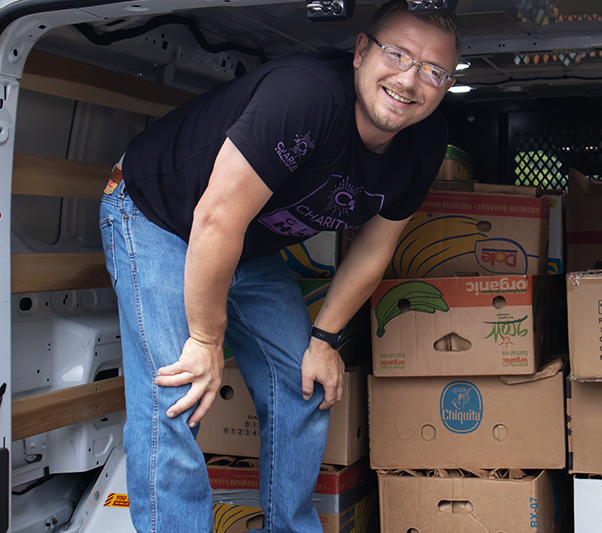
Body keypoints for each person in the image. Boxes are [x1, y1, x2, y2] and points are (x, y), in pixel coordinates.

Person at [99, 1, 461, 531]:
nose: (409, 81)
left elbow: (374, 247)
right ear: (361, 51)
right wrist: (204, 341)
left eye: (433, 71)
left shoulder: (425, 140)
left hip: (240, 243)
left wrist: (324, 339)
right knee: (175, 398)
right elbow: (216, 219)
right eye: (398, 54)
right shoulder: (305, 96)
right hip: (159, 214)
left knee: (305, 385)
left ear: (447, 85)